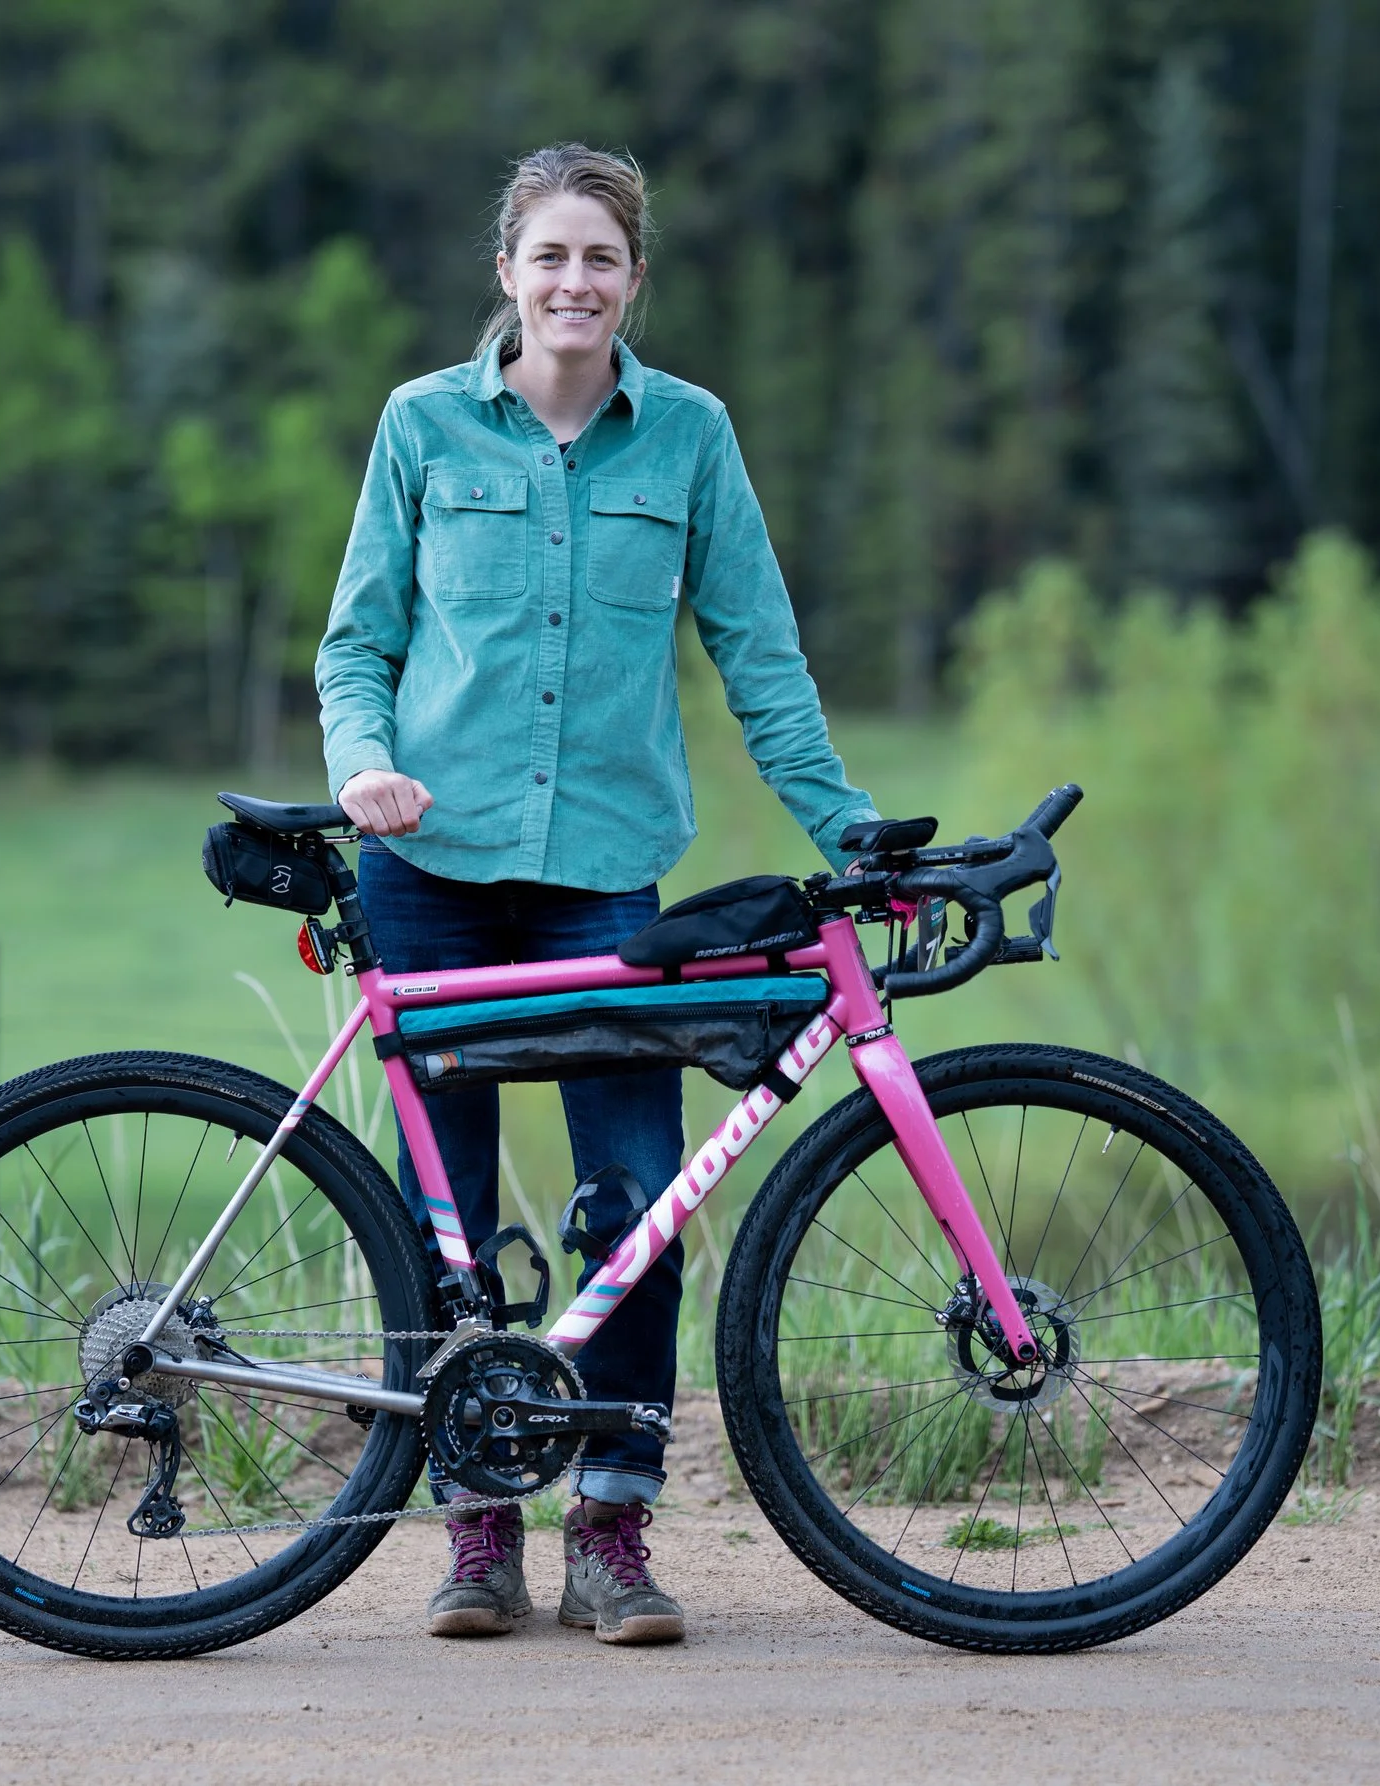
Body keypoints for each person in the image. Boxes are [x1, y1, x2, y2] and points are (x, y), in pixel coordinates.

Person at [314, 143, 877, 1646]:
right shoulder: (423, 424)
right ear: (507, 271)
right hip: (426, 872)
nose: (575, 282)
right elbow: (356, 644)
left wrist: (852, 827)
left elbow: (761, 656)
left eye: (602, 259)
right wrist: (364, 768)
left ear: (634, 280)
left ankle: (614, 1531)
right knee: (442, 1225)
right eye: (550, 256)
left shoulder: (689, 436)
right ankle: (476, 1530)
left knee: (633, 1209)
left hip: (606, 882)